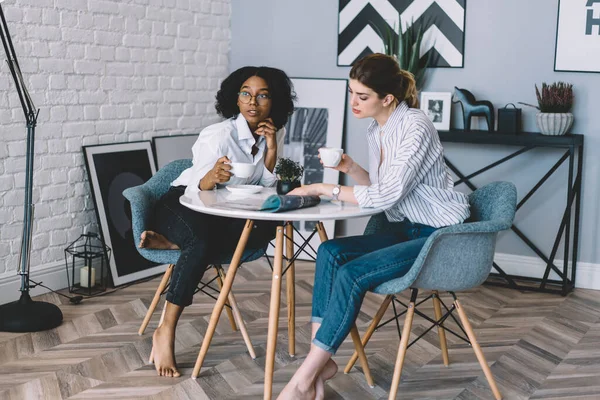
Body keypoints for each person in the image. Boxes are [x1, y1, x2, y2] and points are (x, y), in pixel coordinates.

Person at [279, 53, 470, 399]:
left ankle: (303, 380)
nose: (353, 102)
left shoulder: (415, 125)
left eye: (362, 96)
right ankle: (320, 364)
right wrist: (351, 167)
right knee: (330, 251)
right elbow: (381, 189)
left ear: (388, 98)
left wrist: (323, 188)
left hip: (438, 236)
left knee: (353, 274)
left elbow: (386, 195)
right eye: (351, 92)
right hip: (404, 227)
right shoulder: (376, 129)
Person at [139, 66, 296, 377]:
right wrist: (211, 177)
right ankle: (166, 329)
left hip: (222, 215)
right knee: (200, 243)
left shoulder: (266, 135)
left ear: (273, 101)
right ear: (235, 100)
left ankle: (174, 243)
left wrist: (273, 148)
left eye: (262, 95)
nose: (253, 102)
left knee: (265, 228)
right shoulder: (219, 134)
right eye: (246, 94)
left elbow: (262, 187)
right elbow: (197, 180)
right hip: (182, 203)